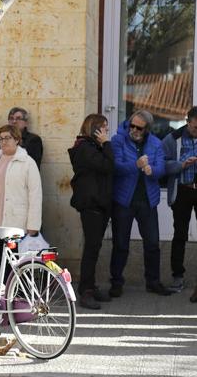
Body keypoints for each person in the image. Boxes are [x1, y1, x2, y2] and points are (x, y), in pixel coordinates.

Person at [109, 110, 171, 297]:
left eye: (139, 127)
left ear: (147, 129)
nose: (133, 129)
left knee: (152, 243)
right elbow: (116, 167)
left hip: (147, 200)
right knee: (121, 244)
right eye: (132, 125)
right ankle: (116, 282)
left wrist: (153, 171)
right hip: (123, 200)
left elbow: (162, 169)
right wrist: (135, 165)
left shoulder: (156, 143)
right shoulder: (118, 140)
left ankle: (153, 282)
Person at [68, 114, 114, 310]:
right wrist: (107, 144)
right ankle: (85, 290)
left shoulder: (92, 147)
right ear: (95, 129)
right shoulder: (85, 148)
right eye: (104, 128)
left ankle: (90, 286)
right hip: (91, 204)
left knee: (94, 248)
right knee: (91, 248)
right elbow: (109, 166)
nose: (106, 132)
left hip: (99, 203)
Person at [0, 124, 42, 275]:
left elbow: (35, 194)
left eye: (8, 138)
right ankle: (3, 294)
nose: (4, 141)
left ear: (17, 140)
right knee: (0, 257)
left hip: (16, 220)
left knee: (17, 261)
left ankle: (19, 295)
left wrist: (33, 224)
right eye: (1, 138)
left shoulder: (27, 162)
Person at [162, 106, 197, 297]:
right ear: (187, 122)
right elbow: (162, 165)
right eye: (195, 128)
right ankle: (177, 277)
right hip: (182, 191)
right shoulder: (172, 139)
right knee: (180, 234)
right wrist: (181, 164)